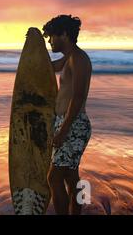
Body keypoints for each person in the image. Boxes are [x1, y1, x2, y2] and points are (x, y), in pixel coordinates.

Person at [42, 14, 92, 215]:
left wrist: (63, 130)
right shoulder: (69, 58)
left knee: (53, 178)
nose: (50, 41)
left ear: (63, 34)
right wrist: (34, 52)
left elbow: (77, 98)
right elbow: (49, 68)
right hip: (69, 123)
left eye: (51, 37)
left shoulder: (78, 59)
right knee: (71, 176)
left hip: (73, 124)